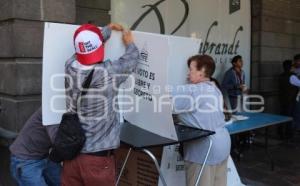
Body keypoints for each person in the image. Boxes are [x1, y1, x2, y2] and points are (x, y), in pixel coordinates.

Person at [61, 23, 139, 186]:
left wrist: (103, 32)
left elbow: (80, 51)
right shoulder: (108, 73)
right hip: (97, 161)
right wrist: (129, 42)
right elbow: (132, 59)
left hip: (71, 157)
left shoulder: (69, 66)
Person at [171, 55, 231, 186]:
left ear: (202, 70)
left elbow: (165, 99)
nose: (188, 74)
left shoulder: (195, 90)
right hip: (222, 144)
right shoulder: (214, 88)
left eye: (191, 69)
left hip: (205, 149)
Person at [9, 107, 61, 186]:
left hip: (44, 156)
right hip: (25, 160)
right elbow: (58, 141)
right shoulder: (51, 109)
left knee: (62, 182)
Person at [278, 60, 298, 139]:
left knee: (282, 116)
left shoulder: (281, 76)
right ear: (290, 67)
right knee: (289, 117)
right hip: (291, 100)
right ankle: (288, 134)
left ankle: (281, 132)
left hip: (283, 99)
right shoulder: (292, 76)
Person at [289, 54, 300, 131]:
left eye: (298, 61)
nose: (296, 62)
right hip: (294, 95)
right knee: (296, 113)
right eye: (296, 61)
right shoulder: (292, 70)